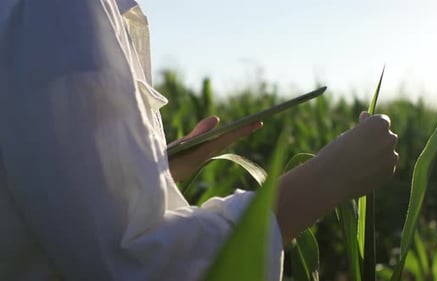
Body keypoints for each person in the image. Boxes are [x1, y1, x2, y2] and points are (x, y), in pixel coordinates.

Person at [0, 1, 398, 280]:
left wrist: (153, 173)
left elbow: (45, 193)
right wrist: (327, 180)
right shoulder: (57, 10)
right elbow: (132, 267)